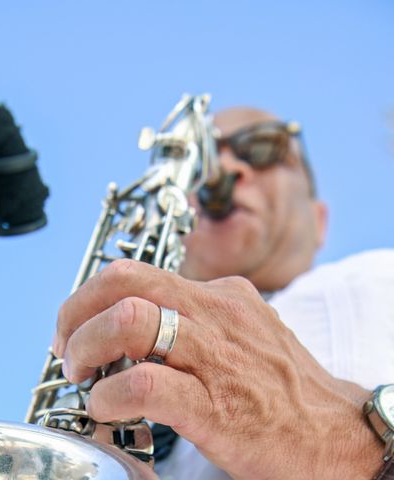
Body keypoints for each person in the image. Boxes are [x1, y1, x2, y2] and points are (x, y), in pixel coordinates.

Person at [51, 106, 394, 479]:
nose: (225, 169)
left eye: (265, 148)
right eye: (202, 163)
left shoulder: (376, 276)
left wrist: (347, 449)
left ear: (318, 219)